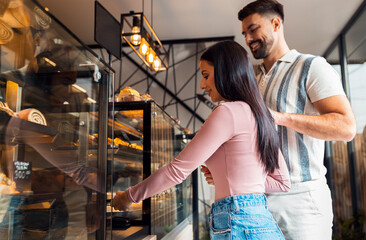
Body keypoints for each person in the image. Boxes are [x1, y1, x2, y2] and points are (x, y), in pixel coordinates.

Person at [201, 1, 356, 239]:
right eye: (244, 33)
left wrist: (279, 118)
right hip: (254, 202)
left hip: (301, 202)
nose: (248, 39)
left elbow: (346, 128)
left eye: (253, 30)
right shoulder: (250, 77)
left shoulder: (312, 67)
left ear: (276, 24)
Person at [113, 40, 291, 239]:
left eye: (206, 76)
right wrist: (233, 178)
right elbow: (283, 182)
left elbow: (177, 171)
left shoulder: (227, 112)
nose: (202, 85)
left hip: (238, 223)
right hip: (263, 224)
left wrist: (128, 197)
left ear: (225, 72)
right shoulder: (261, 115)